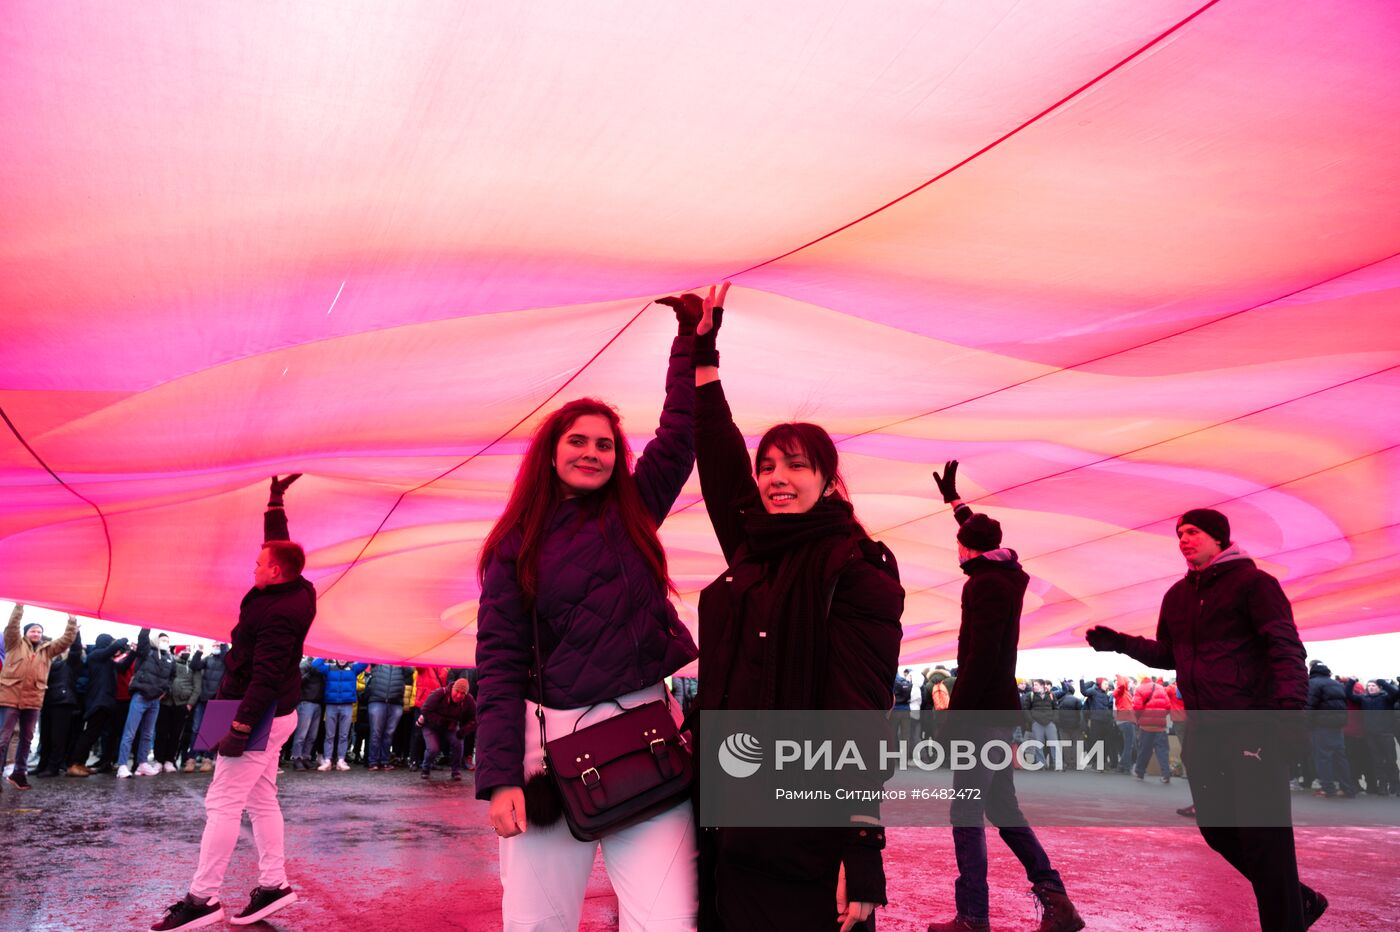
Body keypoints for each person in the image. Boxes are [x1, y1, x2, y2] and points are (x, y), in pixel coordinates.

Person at [475, 294, 699, 932]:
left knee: (671, 921)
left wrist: (690, 341)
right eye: (578, 441)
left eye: (605, 444)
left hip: (647, 740)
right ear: (551, 451)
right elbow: (497, 664)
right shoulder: (514, 545)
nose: (592, 452)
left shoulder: (633, 515)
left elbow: (679, 437)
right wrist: (499, 778)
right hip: (545, 757)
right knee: (536, 923)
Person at [691, 285, 903, 932]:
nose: (776, 478)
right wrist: (702, 354)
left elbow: (859, 716)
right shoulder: (753, 551)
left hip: (802, 836)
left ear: (830, 482)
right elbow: (718, 457)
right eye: (768, 467)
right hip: (725, 826)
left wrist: (860, 849)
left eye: (796, 466)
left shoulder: (854, 570)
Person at [1086, 508, 1327, 930]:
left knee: (1265, 839)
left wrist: (1291, 718)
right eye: (1179, 533)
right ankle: (1299, 899)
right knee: (1216, 828)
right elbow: (1169, 654)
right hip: (1203, 728)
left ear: (1219, 538)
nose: (1184, 539)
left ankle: (1287, 917)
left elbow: (1287, 650)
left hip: (1254, 725)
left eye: (1193, 532)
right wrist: (1120, 643)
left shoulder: (1255, 585)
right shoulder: (1178, 596)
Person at [149, 474, 316, 931]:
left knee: (222, 802)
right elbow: (279, 543)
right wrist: (275, 502)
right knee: (261, 798)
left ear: (276, 573)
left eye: (259, 564)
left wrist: (239, 729)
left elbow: (265, 677)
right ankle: (273, 884)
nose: (255, 566)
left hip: (255, 710)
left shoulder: (280, 612)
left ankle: (202, 899)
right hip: (258, 706)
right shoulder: (294, 585)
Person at [924, 462, 1083, 932]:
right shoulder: (1007, 574)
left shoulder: (984, 585)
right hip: (997, 714)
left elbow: (982, 657)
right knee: (1002, 808)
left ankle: (973, 916)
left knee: (966, 810)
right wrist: (956, 505)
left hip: (980, 714)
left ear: (965, 549)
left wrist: (955, 717)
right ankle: (1057, 902)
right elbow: (983, 537)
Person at [1, 605, 78, 790]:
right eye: (33, 630)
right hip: (10, 697)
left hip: (33, 700)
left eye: (39, 631)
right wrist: (19, 607)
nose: (36, 633)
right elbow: (12, 626)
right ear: (26, 633)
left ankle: (19, 774)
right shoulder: (14, 643)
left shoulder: (48, 650)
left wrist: (72, 622)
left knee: (27, 739)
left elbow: (67, 640)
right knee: (3, 738)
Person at [67, 631, 133, 777]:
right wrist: (126, 637)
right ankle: (74, 763)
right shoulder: (96, 656)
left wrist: (133, 651)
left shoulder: (108, 660)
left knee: (100, 734)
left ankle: (83, 763)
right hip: (98, 702)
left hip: (107, 702)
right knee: (90, 733)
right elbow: (114, 647)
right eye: (110, 643)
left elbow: (123, 666)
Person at [117, 628, 177, 777]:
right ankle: (122, 766)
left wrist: (164, 691)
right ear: (156, 640)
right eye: (163, 640)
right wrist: (146, 625)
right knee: (130, 733)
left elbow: (172, 676)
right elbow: (143, 637)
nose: (165, 643)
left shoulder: (170, 659)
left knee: (148, 734)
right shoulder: (146, 652)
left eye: (167, 641)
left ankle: (142, 764)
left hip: (155, 701)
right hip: (140, 697)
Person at [35, 629, 85, 777]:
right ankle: (42, 765)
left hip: (63, 703)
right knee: (45, 736)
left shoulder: (69, 662)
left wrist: (76, 632)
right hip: (47, 701)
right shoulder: (46, 661)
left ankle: (53, 767)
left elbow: (76, 650)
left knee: (58, 738)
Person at [1304, 660, 1355, 798]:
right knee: (1340, 758)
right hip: (1337, 726)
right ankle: (1347, 788)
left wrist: (1305, 725)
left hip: (1321, 726)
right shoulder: (1335, 683)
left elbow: (1310, 706)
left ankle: (1328, 789)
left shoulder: (1313, 683)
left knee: (1323, 758)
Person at [310, 658, 365, 771]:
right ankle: (328, 761)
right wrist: (327, 653)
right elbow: (315, 664)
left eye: (344, 657)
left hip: (347, 705)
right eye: (339, 657)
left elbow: (365, 662)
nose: (342, 660)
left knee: (344, 735)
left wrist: (354, 652)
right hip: (331, 705)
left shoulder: (354, 668)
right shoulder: (329, 667)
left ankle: (341, 760)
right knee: (329, 735)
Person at [417, 678, 476, 781]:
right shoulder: (440, 693)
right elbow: (425, 710)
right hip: (431, 725)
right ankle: (425, 768)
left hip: (451, 727)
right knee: (433, 749)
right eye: (457, 691)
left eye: (462, 693)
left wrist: (463, 731)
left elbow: (475, 719)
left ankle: (456, 771)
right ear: (453, 688)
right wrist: (444, 722)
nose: (458, 696)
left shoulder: (469, 700)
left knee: (458, 743)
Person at [187, 642, 229, 773]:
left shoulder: (225, 660)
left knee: (210, 731)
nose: (216, 647)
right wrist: (199, 651)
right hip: (203, 699)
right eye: (215, 645)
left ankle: (207, 758)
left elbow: (226, 659)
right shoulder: (208, 659)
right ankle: (191, 758)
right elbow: (194, 666)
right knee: (196, 729)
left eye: (219, 645)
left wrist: (224, 645)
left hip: (216, 699)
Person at [1130, 677, 1172, 783]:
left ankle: (1140, 773)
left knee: (1144, 750)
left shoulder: (1139, 689)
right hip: (1160, 726)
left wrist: (1139, 718)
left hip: (1146, 726)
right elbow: (1168, 706)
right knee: (1162, 750)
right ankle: (1166, 774)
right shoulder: (1161, 688)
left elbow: (1137, 707)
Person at [290, 657, 324, 771]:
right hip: (306, 702)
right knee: (302, 734)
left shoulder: (322, 666)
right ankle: (296, 757)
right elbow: (297, 681)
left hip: (318, 703)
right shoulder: (305, 664)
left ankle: (306, 757)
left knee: (312, 735)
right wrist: (310, 672)